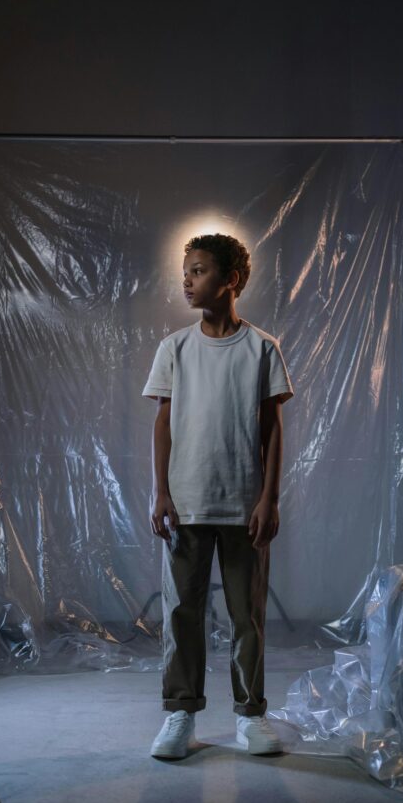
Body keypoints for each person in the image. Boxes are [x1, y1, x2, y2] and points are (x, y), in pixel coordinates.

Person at [142, 232, 294, 759]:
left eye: (200, 270)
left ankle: (250, 715)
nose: (187, 280)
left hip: (243, 507)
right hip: (185, 505)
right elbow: (162, 425)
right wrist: (160, 492)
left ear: (230, 279)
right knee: (182, 611)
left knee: (245, 616)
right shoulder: (175, 348)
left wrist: (269, 499)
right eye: (186, 271)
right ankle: (180, 713)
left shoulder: (261, 348)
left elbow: (272, 429)